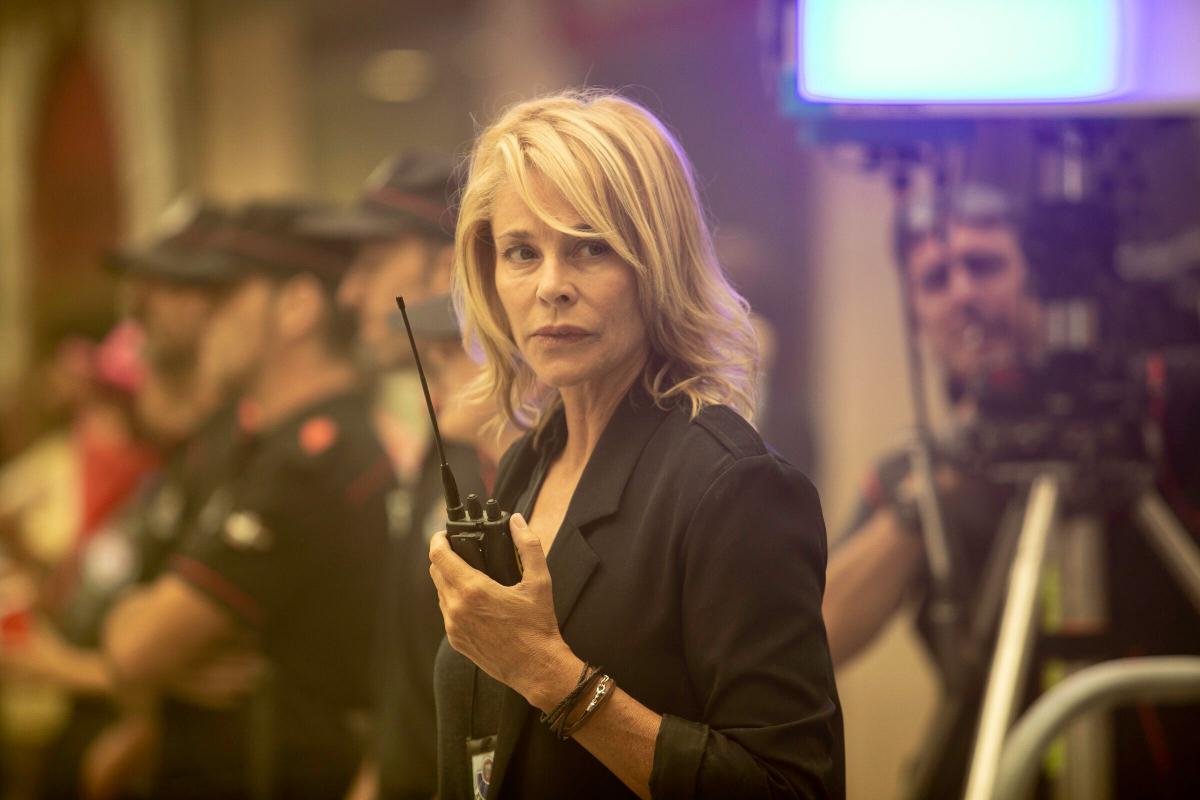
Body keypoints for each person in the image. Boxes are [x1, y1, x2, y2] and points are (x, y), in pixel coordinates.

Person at [429, 90, 844, 800]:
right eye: (522, 252)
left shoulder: (731, 486)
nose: (551, 287)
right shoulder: (531, 462)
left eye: (590, 248)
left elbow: (789, 788)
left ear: (657, 262)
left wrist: (553, 676)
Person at [822, 184, 1200, 798]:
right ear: (917, 318)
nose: (963, 294)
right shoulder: (920, 473)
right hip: (990, 770)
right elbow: (819, 636)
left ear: (1042, 280)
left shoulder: (1153, 417)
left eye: (985, 265)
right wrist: (935, 490)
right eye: (936, 280)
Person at [102, 202, 395, 799]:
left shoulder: (316, 456)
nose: (206, 318)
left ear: (297, 306)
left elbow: (136, 650)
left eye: (225, 295)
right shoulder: (263, 443)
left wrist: (149, 649)